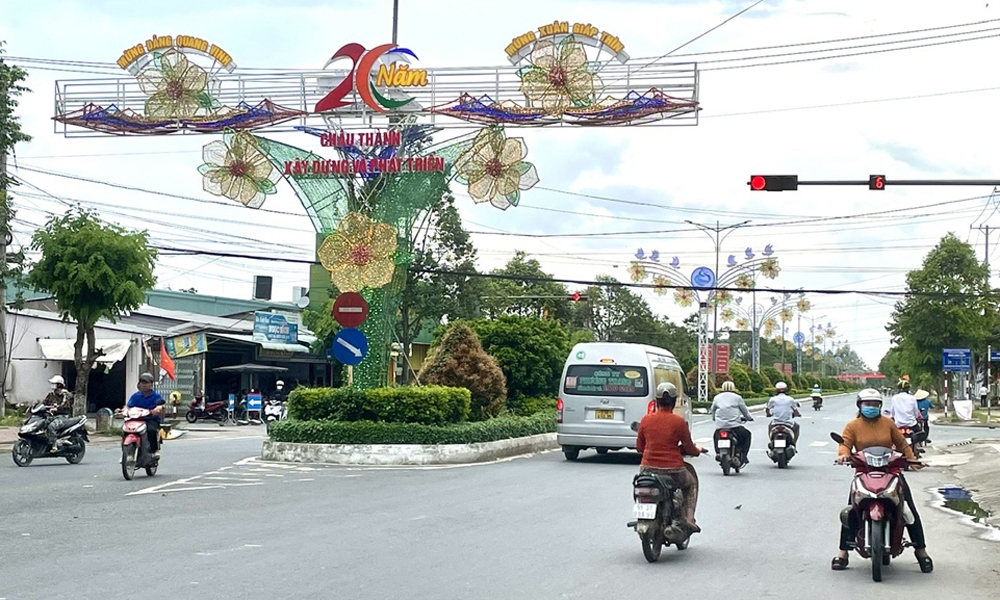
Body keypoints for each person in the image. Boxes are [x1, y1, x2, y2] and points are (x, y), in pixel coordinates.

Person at [832, 388, 932, 573]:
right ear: (860, 405)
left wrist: (913, 460)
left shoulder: (888, 423)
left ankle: (921, 551)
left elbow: (902, 444)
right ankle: (842, 553)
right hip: (864, 472)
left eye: (875, 404)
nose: (871, 407)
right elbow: (844, 444)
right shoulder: (852, 426)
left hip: (891, 471)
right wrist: (843, 456)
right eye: (867, 404)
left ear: (880, 406)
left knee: (909, 510)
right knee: (851, 510)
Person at [636, 382, 705, 533]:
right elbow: (688, 448)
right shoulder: (679, 422)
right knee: (691, 484)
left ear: (657, 400)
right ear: (674, 401)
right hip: (673, 471)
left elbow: (640, 447)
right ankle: (689, 519)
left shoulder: (646, 420)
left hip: (647, 469)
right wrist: (697, 450)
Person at [710, 380, 753, 466]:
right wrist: (749, 418)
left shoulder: (717, 398)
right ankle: (744, 456)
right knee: (747, 435)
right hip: (735, 427)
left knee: (716, 437)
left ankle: (718, 453)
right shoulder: (737, 398)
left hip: (720, 426)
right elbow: (745, 411)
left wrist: (714, 418)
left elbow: (713, 410)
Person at [121, 372, 165, 457]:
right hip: (136, 419)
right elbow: (128, 406)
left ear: (151, 384)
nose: (144, 385)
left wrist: (157, 409)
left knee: (151, 430)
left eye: (146, 383)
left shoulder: (156, 396)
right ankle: (125, 453)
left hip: (150, 419)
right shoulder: (135, 396)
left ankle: (154, 451)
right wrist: (123, 410)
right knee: (124, 430)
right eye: (142, 382)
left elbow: (160, 406)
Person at [42, 375, 73, 452]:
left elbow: (65, 405)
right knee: (42, 423)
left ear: (59, 384)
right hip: (52, 416)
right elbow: (44, 403)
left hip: (63, 416)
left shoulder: (65, 394)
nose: (52, 385)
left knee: (51, 426)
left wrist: (56, 408)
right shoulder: (51, 394)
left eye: (54, 383)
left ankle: (54, 445)